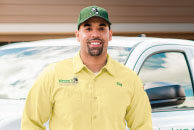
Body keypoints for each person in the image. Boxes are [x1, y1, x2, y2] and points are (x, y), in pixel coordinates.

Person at [21, 5, 152, 130]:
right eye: (88, 29)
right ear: (78, 35)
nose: (95, 34)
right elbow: (31, 122)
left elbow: (142, 126)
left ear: (110, 34)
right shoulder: (53, 75)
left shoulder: (129, 79)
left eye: (101, 28)